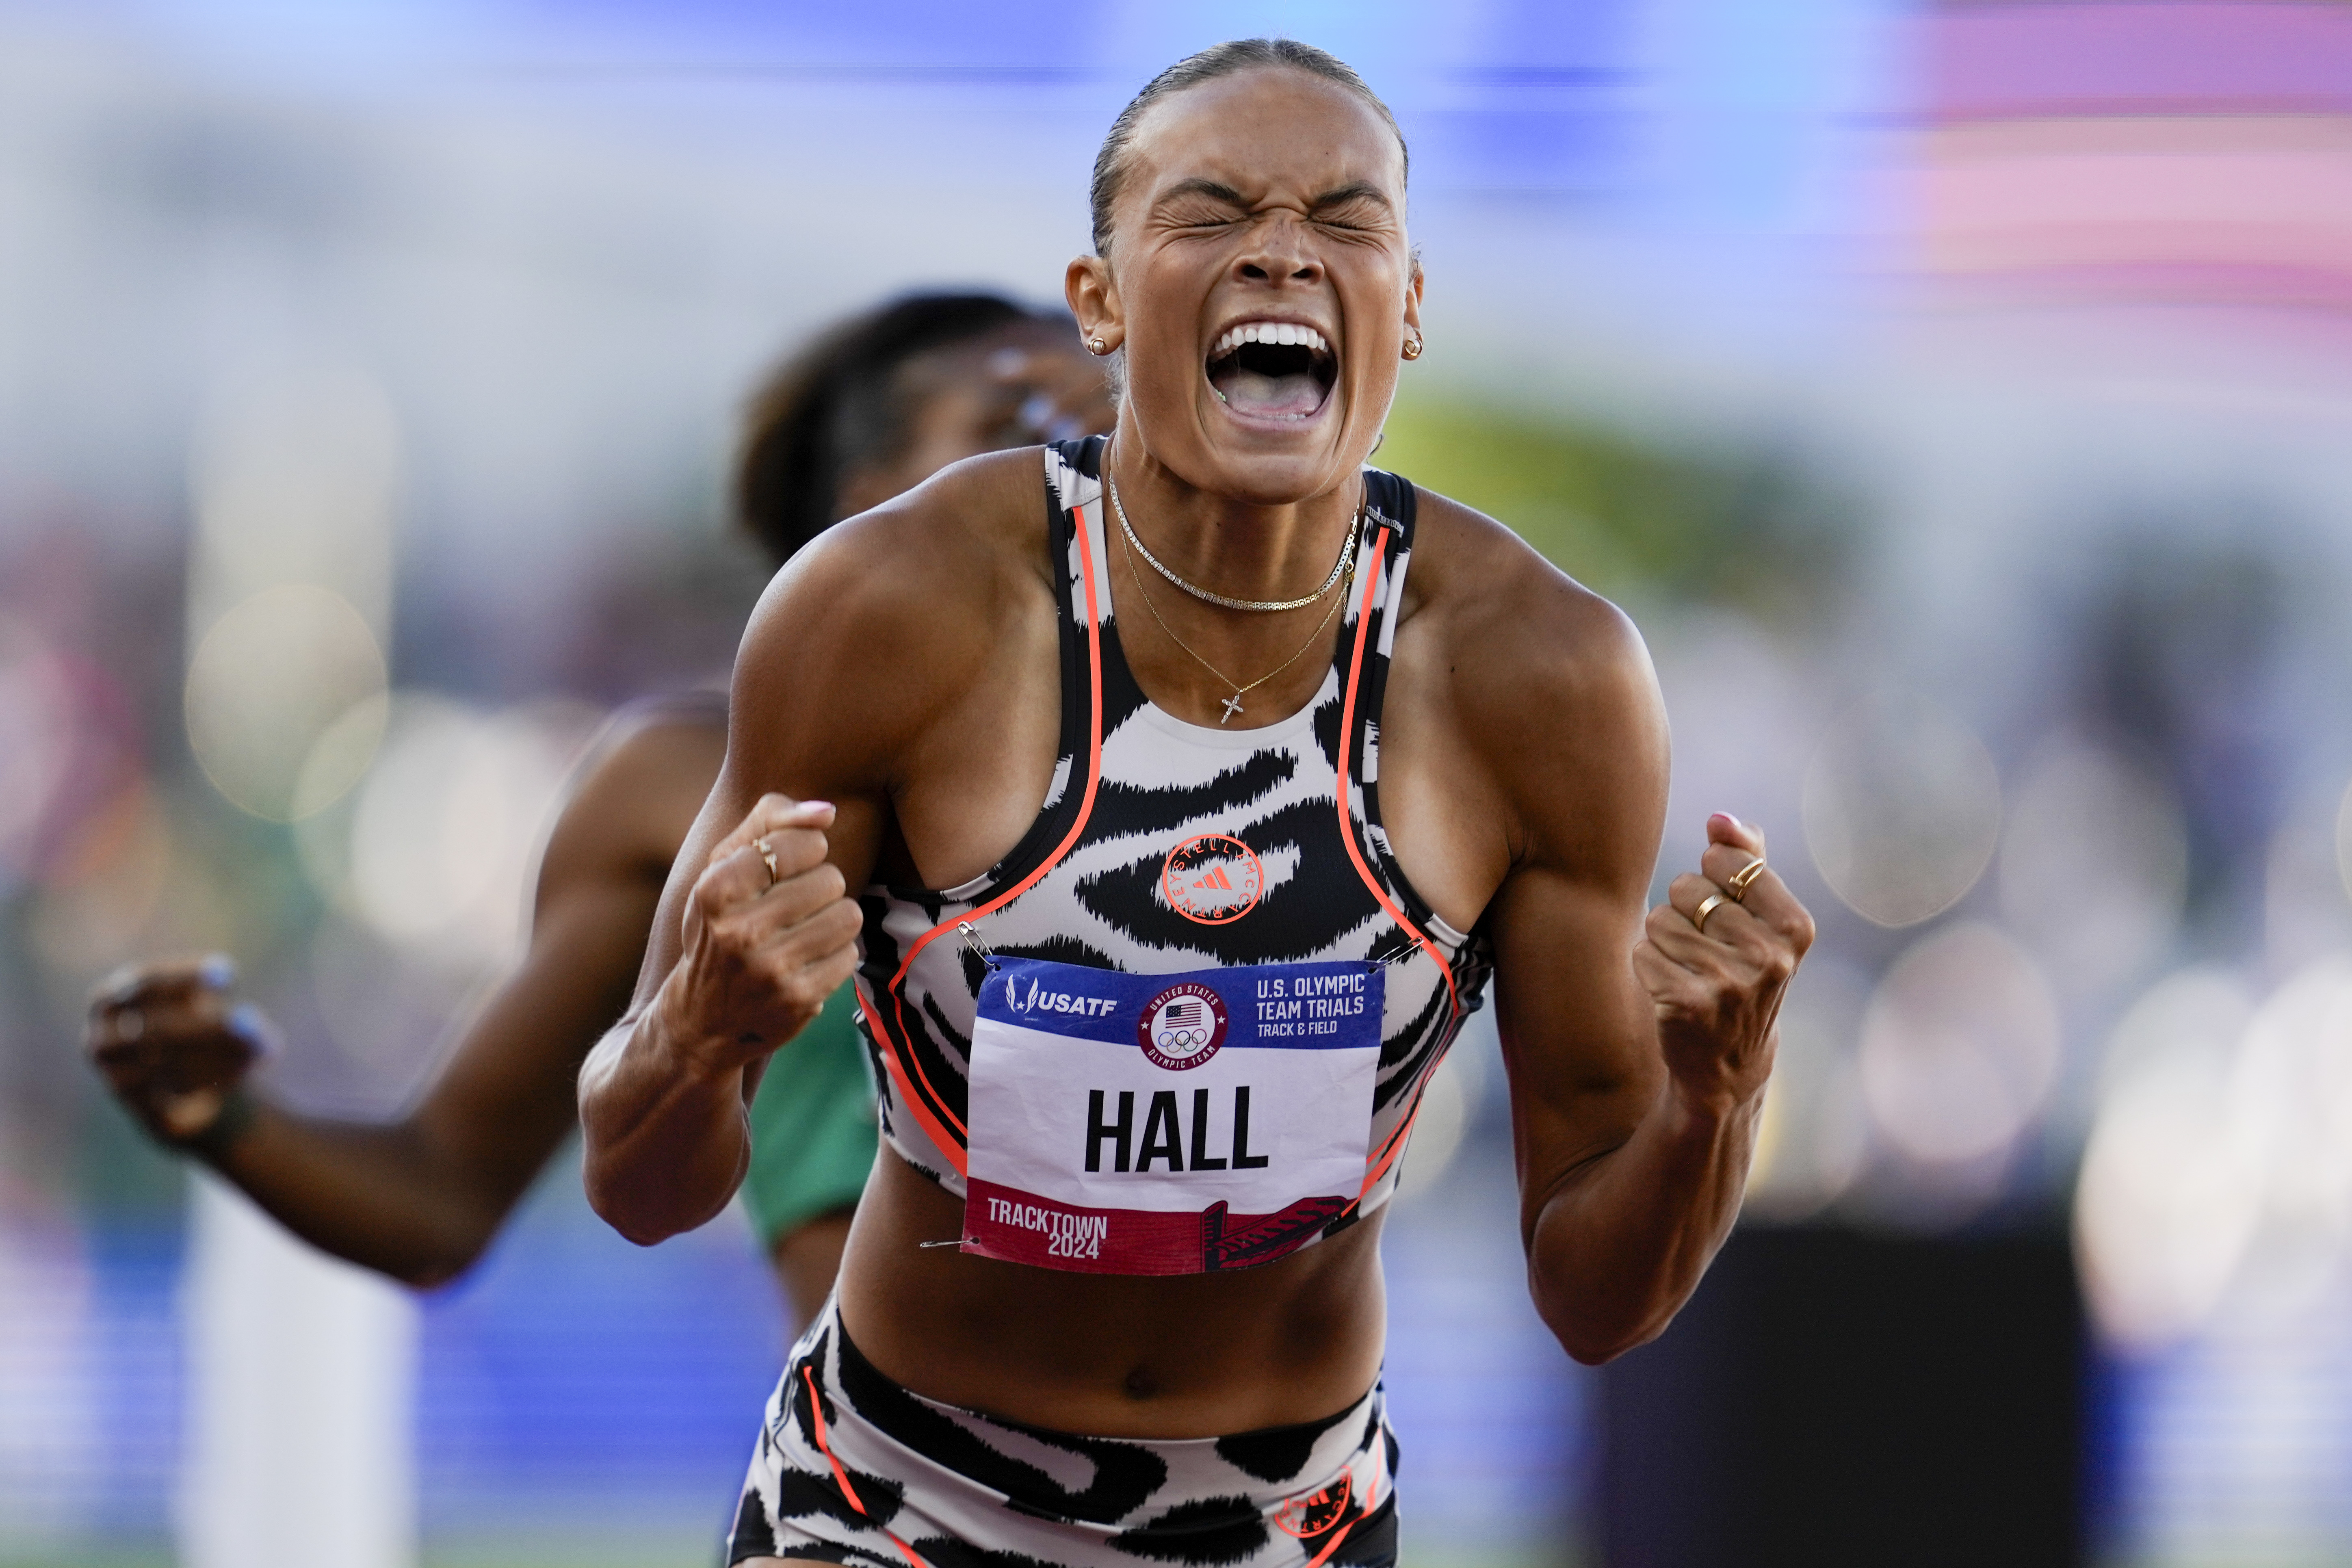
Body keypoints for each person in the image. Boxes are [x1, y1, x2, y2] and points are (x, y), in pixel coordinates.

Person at [576, 37, 1816, 1568]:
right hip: (895, 1503)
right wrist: (701, 1028)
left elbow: (1594, 1297)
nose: (1283, 252)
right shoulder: (892, 610)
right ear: (1099, 302)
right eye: (1212, 213)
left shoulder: (1538, 678)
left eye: (1347, 222)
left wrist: (1715, 1100)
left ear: (1409, 306)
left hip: (1290, 1527)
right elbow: (635, 1182)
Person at [84, 292, 1115, 1328]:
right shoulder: (686, 789)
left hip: (1234, 1481)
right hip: (884, 1477)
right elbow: (443, 1190)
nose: (1062, 471)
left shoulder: (1235, 760)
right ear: (863, 512)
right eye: (1017, 431)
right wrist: (221, 1118)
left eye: (1100, 430)